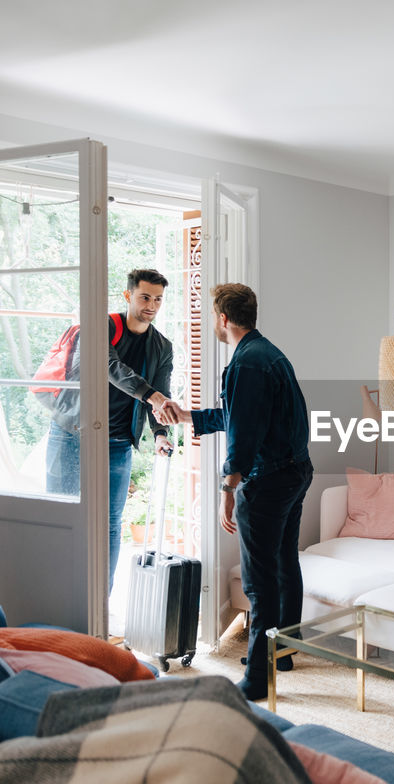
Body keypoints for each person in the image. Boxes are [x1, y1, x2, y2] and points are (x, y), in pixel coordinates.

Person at [159, 283, 312, 701]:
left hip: (270, 478)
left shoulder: (246, 364)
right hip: (297, 470)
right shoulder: (268, 354)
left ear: (222, 318)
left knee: (259, 581)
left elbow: (243, 436)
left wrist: (229, 486)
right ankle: (279, 654)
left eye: (213, 315)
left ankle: (258, 679)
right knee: (283, 564)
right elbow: (240, 416)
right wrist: (186, 414)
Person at [44, 269, 175, 591]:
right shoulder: (101, 327)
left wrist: (160, 433)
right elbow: (108, 366)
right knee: (62, 518)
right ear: (128, 295)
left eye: (158, 299)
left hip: (117, 443)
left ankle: (99, 600)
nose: (152, 305)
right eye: (145, 297)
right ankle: (59, 597)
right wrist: (151, 395)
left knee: (110, 525)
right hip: (72, 433)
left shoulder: (161, 346)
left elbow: (161, 388)